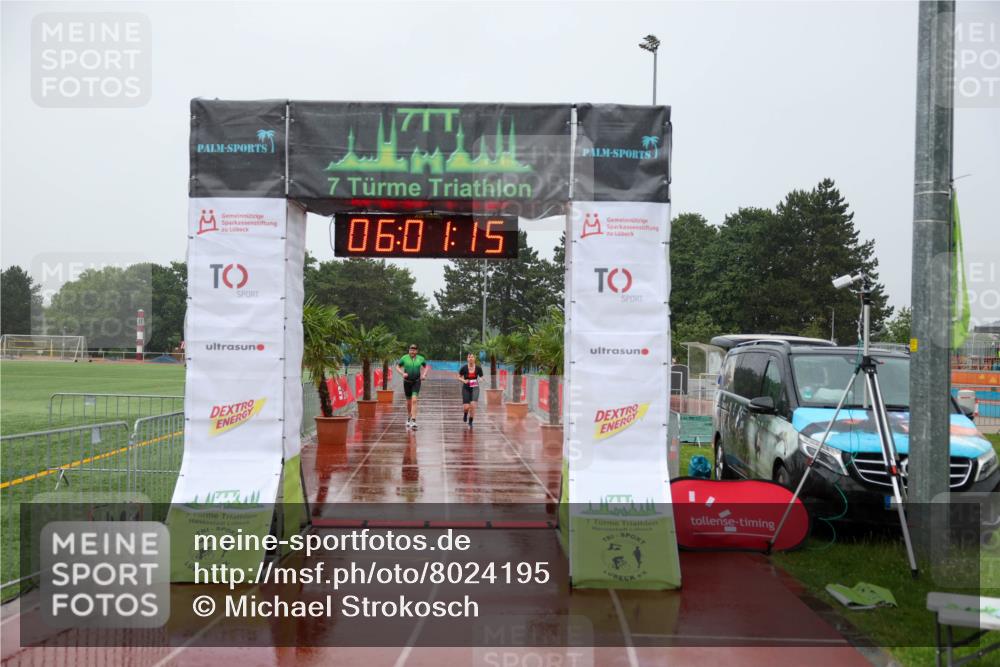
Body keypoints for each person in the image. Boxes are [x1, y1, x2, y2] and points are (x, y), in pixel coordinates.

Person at [396, 344, 428, 429]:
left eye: (414, 350)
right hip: (407, 382)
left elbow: (426, 366)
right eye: (411, 350)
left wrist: (424, 374)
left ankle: (414, 420)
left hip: (416, 382)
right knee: (409, 402)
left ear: (417, 351)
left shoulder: (421, 358)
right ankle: (409, 417)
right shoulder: (404, 358)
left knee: (414, 400)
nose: (412, 351)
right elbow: (397, 367)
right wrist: (402, 373)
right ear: (409, 350)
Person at [458, 352, 484, 429]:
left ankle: (470, 421)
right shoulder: (464, 368)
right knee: (466, 407)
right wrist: (463, 381)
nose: (471, 358)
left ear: (474, 358)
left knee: (473, 405)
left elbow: (482, 377)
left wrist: (481, 380)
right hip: (466, 388)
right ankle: (465, 414)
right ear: (467, 359)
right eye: (469, 357)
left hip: (475, 387)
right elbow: (458, 376)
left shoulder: (478, 368)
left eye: (472, 357)